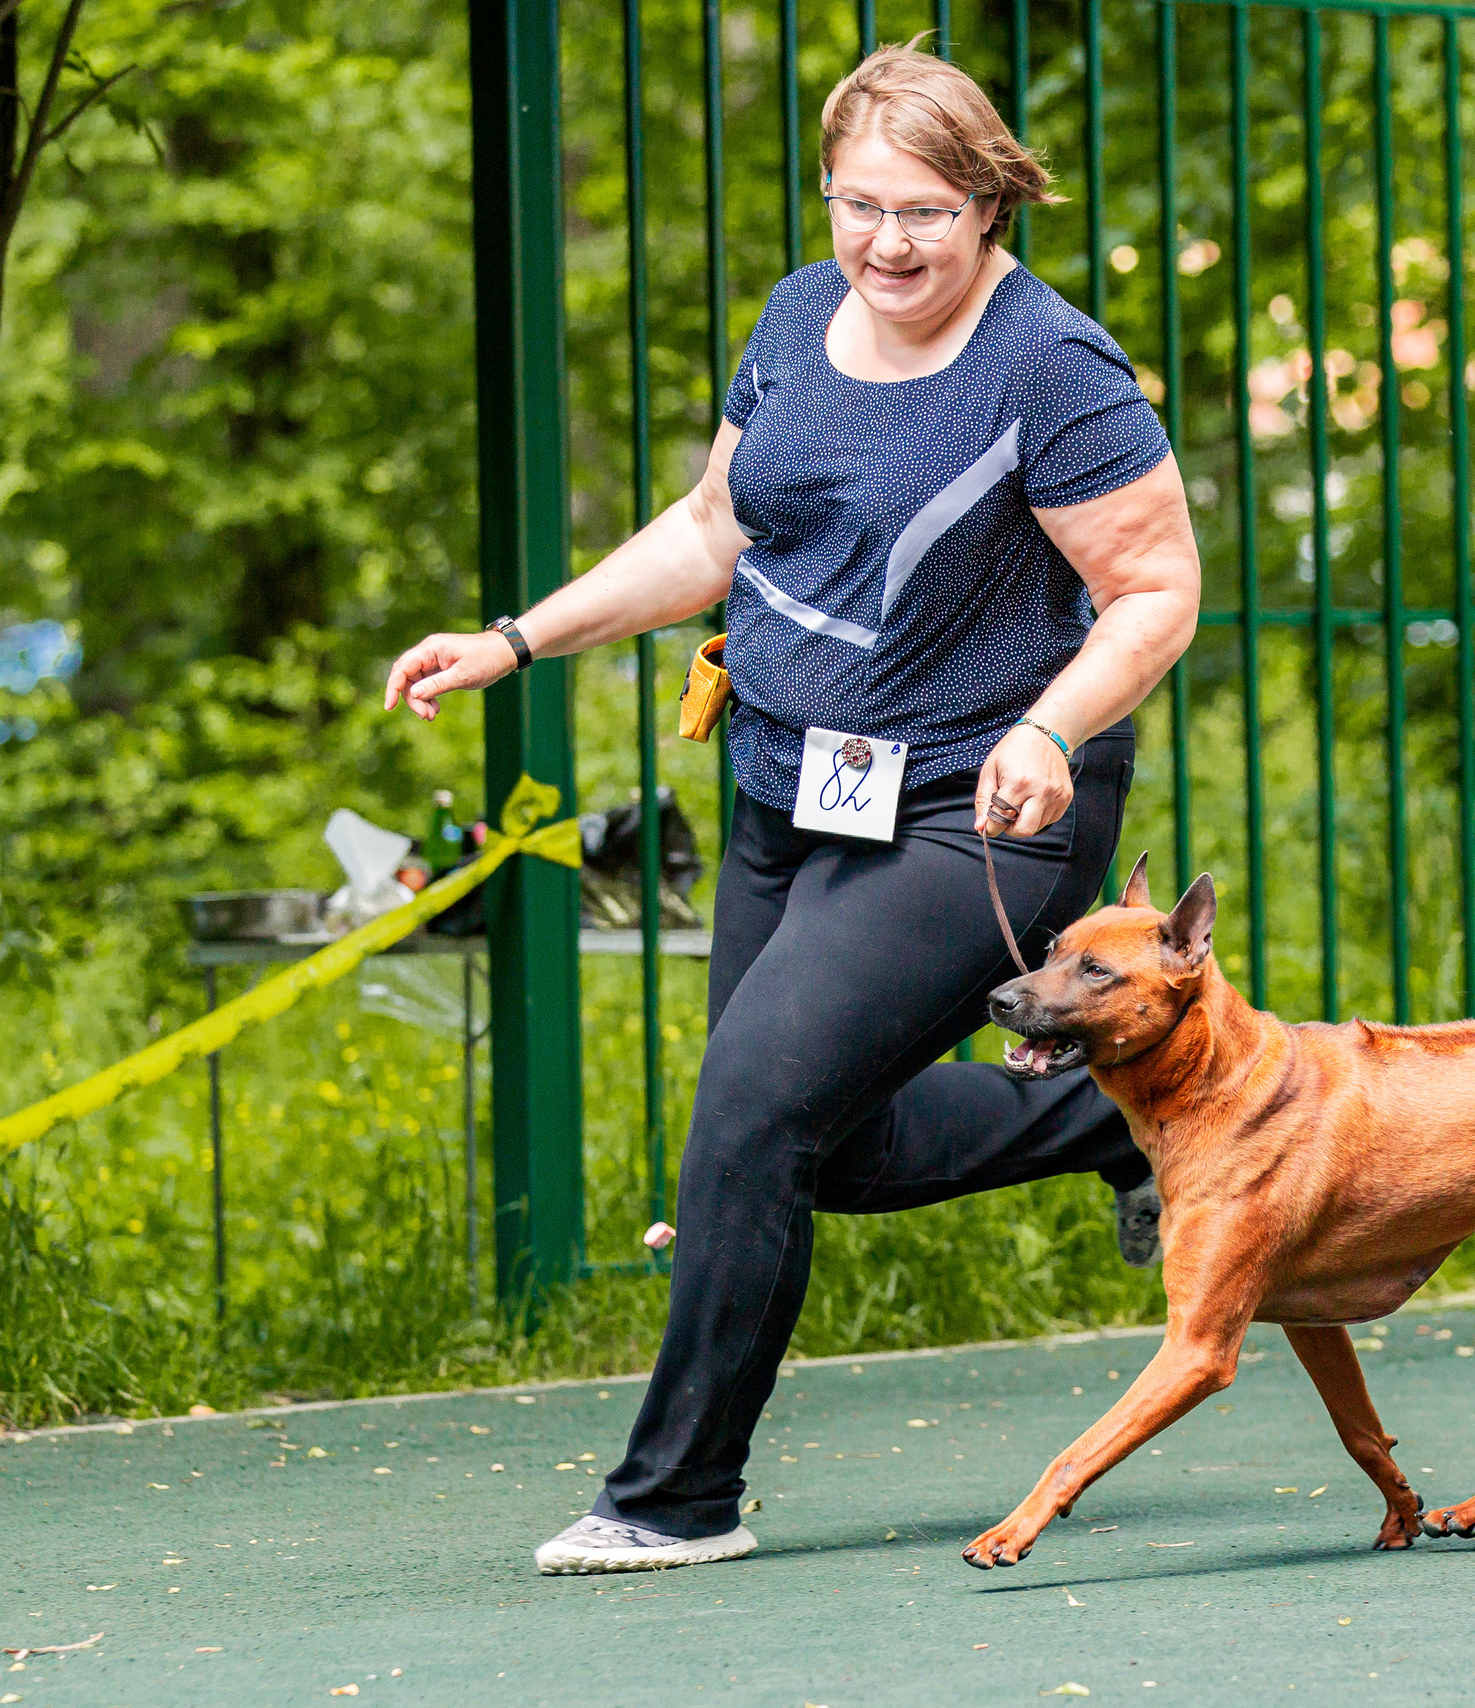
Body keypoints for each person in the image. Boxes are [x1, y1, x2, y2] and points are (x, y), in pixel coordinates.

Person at [383, 41, 1201, 1575]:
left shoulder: (1052, 368)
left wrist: (1052, 722)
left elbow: (1156, 590)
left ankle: (674, 1496)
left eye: (925, 212)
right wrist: (513, 642)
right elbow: (712, 530)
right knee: (822, 1146)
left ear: (990, 205)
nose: (887, 242)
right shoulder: (797, 318)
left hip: (985, 804)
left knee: (752, 1111)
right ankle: (1106, 1113)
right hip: (789, 781)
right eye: (859, 204)